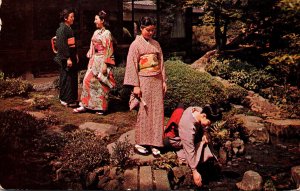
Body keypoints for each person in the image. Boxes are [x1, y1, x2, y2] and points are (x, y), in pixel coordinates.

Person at [123, 16, 167, 156]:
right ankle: (140, 143)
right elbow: (131, 66)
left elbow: (161, 64)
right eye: (148, 30)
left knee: (157, 111)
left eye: (153, 30)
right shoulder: (135, 45)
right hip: (143, 80)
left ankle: (155, 143)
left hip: (157, 80)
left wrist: (164, 81)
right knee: (144, 111)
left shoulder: (156, 44)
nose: (151, 33)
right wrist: (135, 85)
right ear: (141, 28)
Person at [164, 105, 218, 187]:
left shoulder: (199, 110)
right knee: (193, 149)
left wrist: (205, 132)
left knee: (205, 139)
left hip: (186, 135)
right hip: (174, 140)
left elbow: (205, 128)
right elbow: (189, 149)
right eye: (209, 123)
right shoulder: (187, 126)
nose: (208, 126)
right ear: (204, 116)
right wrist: (194, 171)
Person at [73, 10, 115, 115]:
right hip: (95, 59)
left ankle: (101, 107)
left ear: (102, 20)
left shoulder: (107, 33)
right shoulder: (96, 32)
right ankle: (84, 104)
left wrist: (106, 63)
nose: (94, 21)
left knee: (100, 84)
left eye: (96, 19)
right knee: (87, 80)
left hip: (102, 59)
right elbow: (92, 45)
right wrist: (90, 53)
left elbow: (109, 49)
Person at [54, 8, 79, 107]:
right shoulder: (61, 29)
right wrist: (67, 58)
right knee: (66, 78)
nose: (73, 18)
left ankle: (71, 98)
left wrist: (75, 54)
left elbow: (72, 44)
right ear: (65, 18)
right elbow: (62, 45)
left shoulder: (68, 28)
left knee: (72, 78)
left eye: (73, 16)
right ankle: (64, 99)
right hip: (66, 57)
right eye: (71, 17)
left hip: (71, 56)